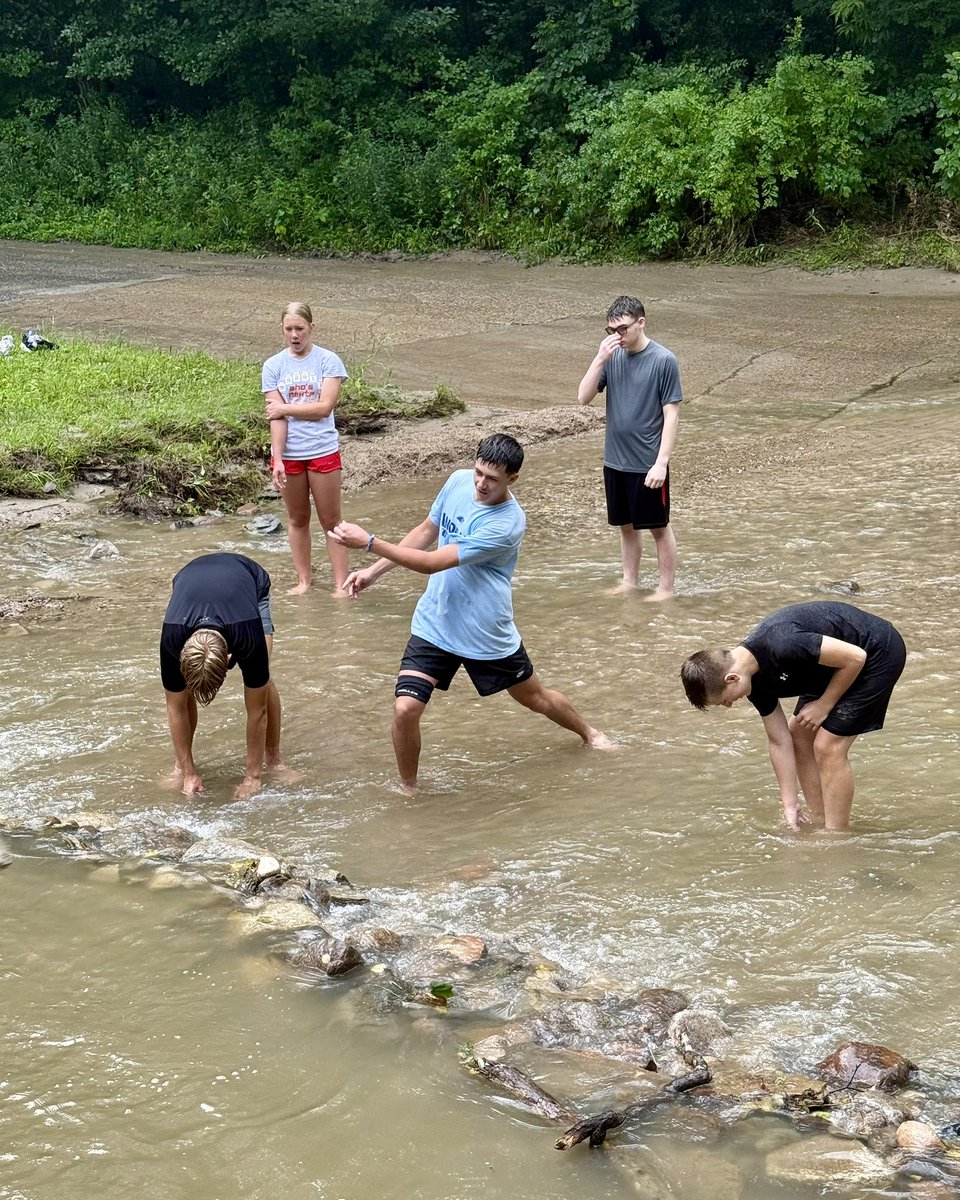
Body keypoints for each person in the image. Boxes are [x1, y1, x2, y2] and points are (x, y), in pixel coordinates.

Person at [328, 433, 614, 791]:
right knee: (405, 709)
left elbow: (433, 563)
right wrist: (373, 573)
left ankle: (589, 733)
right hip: (438, 621)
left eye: (492, 479)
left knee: (535, 698)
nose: (481, 483)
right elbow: (425, 532)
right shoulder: (457, 482)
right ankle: (409, 789)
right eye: (478, 472)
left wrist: (369, 543)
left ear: (512, 479)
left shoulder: (507, 523)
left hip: (485, 630)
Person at [680, 601, 907, 831]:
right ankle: (820, 818)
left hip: (877, 653)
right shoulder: (753, 682)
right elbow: (779, 740)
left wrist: (824, 705)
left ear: (732, 679)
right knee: (800, 735)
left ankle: (835, 835)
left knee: (828, 746)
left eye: (724, 700)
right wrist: (790, 805)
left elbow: (855, 657)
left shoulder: (783, 644)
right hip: (832, 669)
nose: (729, 705)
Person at [577, 295, 683, 599]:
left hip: (647, 462)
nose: (617, 337)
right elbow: (583, 398)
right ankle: (630, 581)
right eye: (612, 331)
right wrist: (599, 358)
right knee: (626, 526)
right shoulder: (612, 357)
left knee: (658, 528)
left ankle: (665, 589)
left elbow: (671, 415)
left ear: (641, 323)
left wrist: (661, 462)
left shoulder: (664, 360)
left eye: (622, 329)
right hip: (615, 460)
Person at [160, 552, 283, 800]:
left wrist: (252, 777)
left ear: (229, 659)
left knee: (262, 679)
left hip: (249, 580)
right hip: (188, 577)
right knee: (179, 696)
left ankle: (274, 760)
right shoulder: (172, 640)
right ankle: (181, 764)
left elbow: (256, 712)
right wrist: (188, 773)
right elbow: (175, 708)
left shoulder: (249, 639)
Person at [263, 301, 350, 594]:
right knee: (298, 519)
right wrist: (277, 459)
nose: (294, 335)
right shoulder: (273, 365)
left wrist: (285, 408)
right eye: (289, 329)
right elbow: (276, 419)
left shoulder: (328, 361)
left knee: (331, 521)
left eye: (300, 328)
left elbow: (324, 408)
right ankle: (304, 581)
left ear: (311, 328)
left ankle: (341, 584)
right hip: (290, 455)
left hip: (322, 450)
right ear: (282, 330)